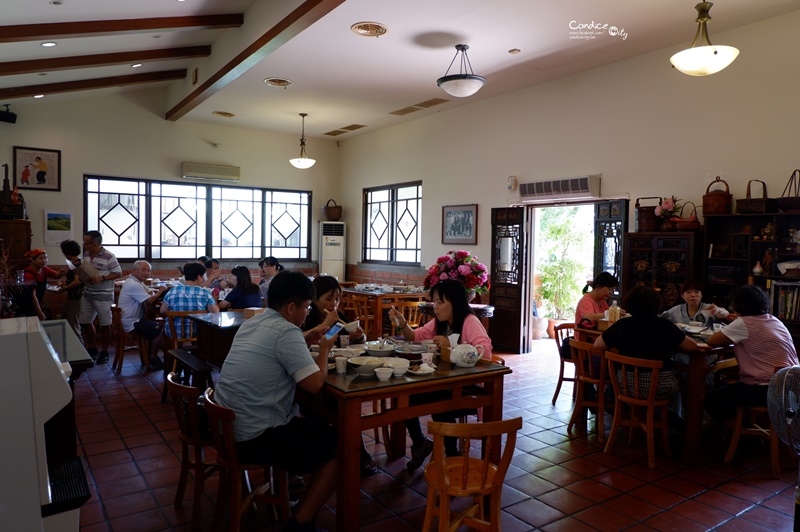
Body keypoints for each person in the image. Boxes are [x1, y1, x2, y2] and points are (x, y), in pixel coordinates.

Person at [214, 271, 337, 532]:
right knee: (340, 445)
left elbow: (274, 346)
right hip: (254, 437)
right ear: (291, 307)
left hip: (226, 429)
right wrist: (324, 350)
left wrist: (308, 335)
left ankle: (296, 498)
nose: (307, 312)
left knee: (314, 428)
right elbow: (314, 385)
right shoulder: (287, 332)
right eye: (306, 306)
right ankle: (301, 523)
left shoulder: (254, 322)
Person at [388, 279, 493, 470]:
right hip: (445, 383)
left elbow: (486, 352)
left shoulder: (470, 322)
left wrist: (451, 345)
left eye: (440, 302)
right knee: (403, 395)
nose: (435, 307)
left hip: (467, 387)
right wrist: (402, 323)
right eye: (434, 302)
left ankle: (450, 453)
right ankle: (422, 443)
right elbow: (416, 336)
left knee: (435, 402)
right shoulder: (439, 322)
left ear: (455, 302)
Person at [302, 276, 376, 476]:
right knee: (340, 409)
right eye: (328, 299)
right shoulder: (307, 318)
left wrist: (359, 336)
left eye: (337, 298)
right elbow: (300, 342)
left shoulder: (340, 317)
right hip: (312, 377)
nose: (334, 304)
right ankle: (353, 456)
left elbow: (357, 341)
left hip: (337, 372)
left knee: (348, 404)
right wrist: (324, 325)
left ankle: (357, 455)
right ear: (314, 300)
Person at [704, 285, 798, 423]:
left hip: (766, 389)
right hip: (790, 387)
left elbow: (713, 340)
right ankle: (743, 431)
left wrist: (737, 321)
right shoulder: (773, 319)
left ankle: (730, 433)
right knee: (729, 393)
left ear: (738, 305)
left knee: (711, 398)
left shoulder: (744, 323)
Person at [594, 285, 697, 402]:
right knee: (679, 384)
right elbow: (692, 346)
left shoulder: (622, 324)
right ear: (657, 304)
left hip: (625, 385)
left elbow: (597, 344)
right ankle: (672, 417)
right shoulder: (666, 325)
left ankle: (639, 415)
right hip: (660, 387)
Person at [79, 231, 122, 364]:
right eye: (84, 242)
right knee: (85, 321)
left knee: (105, 323)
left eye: (87, 243)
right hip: (87, 293)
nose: (84, 245)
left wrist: (102, 278)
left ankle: (104, 351)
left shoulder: (109, 256)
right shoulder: (86, 254)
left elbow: (118, 273)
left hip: (103, 295)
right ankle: (92, 348)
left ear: (96, 243)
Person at [118, 260, 168, 369]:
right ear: (134, 270)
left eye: (148, 271)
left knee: (156, 327)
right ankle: (153, 357)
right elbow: (149, 300)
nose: (146, 273)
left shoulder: (136, 281)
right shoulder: (133, 284)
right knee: (160, 329)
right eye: (143, 270)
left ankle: (162, 356)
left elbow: (150, 292)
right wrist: (160, 292)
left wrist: (155, 292)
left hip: (131, 319)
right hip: (131, 322)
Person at [160, 262, 219, 340]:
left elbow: (162, 310)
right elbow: (215, 312)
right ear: (199, 277)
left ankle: (175, 349)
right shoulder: (205, 292)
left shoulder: (173, 290)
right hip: (198, 332)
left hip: (175, 332)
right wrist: (215, 301)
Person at [19, 248, 66, 320]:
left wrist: (62, 273)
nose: (44, 260)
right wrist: (40, 312)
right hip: (27, 305)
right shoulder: (28, 274)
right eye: (41, 258)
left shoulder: (44, 269)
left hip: (37, 303)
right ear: (32, 259)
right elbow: (33, 296)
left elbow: (55, 275)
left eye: (45, 258)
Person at [661, 280, 728, 326]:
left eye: (696, 292)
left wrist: (718, 310)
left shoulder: (709, 308)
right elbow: (661, 318)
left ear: (701, 294)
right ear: (682, 295)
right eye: (688, 292)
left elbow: (726, 314)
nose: (693, 295)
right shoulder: (677, 309)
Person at [574, 272, 619, 342]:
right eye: (609, 289)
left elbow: (608, 315)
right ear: (598, 287)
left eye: (612, 290)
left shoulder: (601, 300)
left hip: (595, 338)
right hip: (584, 343)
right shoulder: (586, 301)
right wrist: (608, 313)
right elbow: (587, 317)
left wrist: (617, 312)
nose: (611, 293)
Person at [58, 239, 85, 342]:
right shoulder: (77, 262)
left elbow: (77, 281)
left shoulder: (76, 264)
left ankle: (80, 351)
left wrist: (65, 288)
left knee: (73, 324)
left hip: (77, 297)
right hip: (75, 296)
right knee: (70, 320)